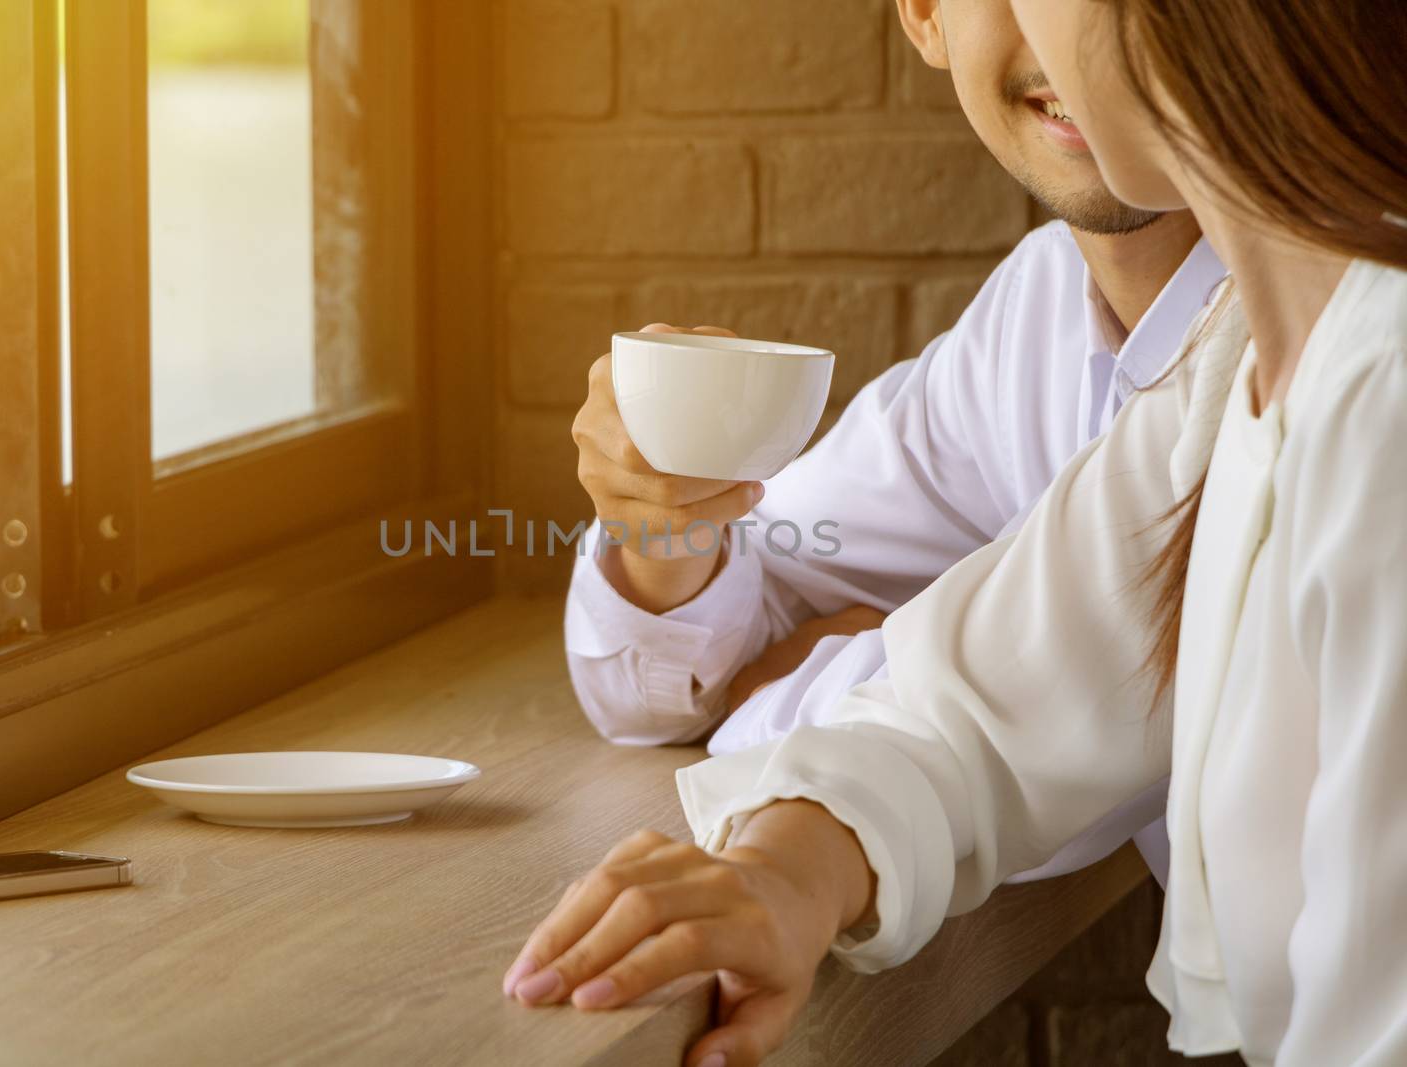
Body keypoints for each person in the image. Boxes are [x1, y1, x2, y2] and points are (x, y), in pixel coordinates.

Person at [510, 2, 1407, 1066]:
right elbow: (982, 716)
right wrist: (783, 871)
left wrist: (842, 665)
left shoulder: (1377, 386)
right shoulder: (1227, 378)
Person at [565, 0, 1223, 891]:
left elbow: (1026, 743)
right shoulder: (1037, 313)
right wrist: (665, 524)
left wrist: (850, 667)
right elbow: (746, 600)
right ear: (923, 14)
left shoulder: (1315, 318)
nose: (1081, 30)